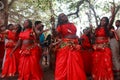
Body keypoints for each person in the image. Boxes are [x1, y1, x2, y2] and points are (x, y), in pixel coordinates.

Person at [54, 13, 86, 80]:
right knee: (63, 64)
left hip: (75, 44)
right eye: (62, 16)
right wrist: (52, 25)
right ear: (60, 20)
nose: (64, 16)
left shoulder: (72, 24)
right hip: (66, 46)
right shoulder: (60, 26)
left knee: (76, 63)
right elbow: (55, 34)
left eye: (64, 15)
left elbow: (74, 34)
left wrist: (79, 38)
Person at [92, 6, 115, 80]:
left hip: (105, 48)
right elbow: (94, 38)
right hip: (97, 48)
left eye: (104, 20)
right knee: (97, 63)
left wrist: (113, 14)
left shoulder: (107, 28)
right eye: (102, 20)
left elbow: (111, 21)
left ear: (107, 22)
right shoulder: (97, 29)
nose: (103, 22)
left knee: (106, 63)